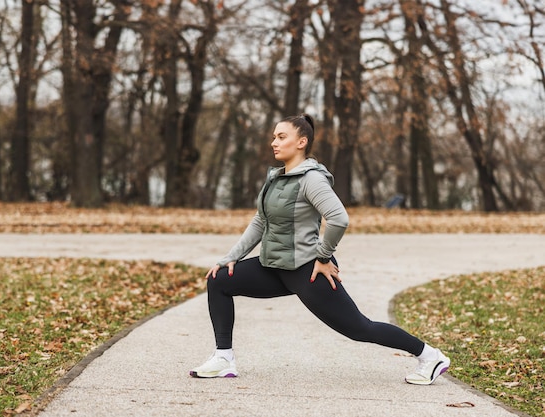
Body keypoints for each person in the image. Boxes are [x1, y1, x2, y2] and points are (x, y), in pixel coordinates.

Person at [189, 113, 450, 385]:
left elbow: (339, 218)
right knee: (219, 280)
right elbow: (260, 221)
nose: (273, 143)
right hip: (273, 266)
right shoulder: (276, 178)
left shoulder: (312, 179)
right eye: (274, 137)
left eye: (281, 137)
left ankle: (430, 356)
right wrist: (231, 257)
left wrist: (323, 256)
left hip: (308, 270)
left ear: (301, 142)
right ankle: (224, 358)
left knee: (359, 328)